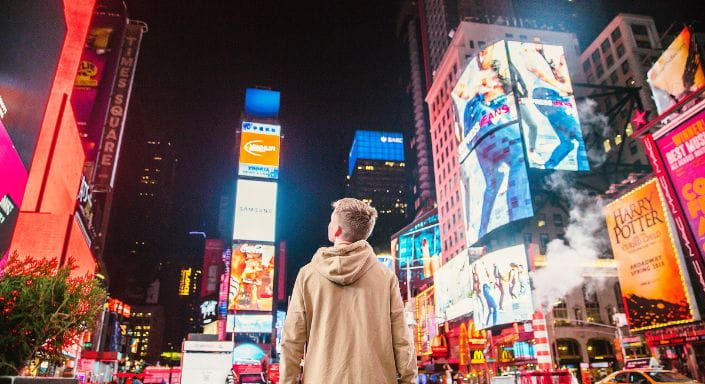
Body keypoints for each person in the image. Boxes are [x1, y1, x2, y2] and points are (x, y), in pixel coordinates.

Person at [280, 198, 418, 384]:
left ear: (336, 229)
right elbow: (402, 340)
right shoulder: (386, 277)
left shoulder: (308, 275)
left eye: (331, 220)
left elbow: (292, 340)